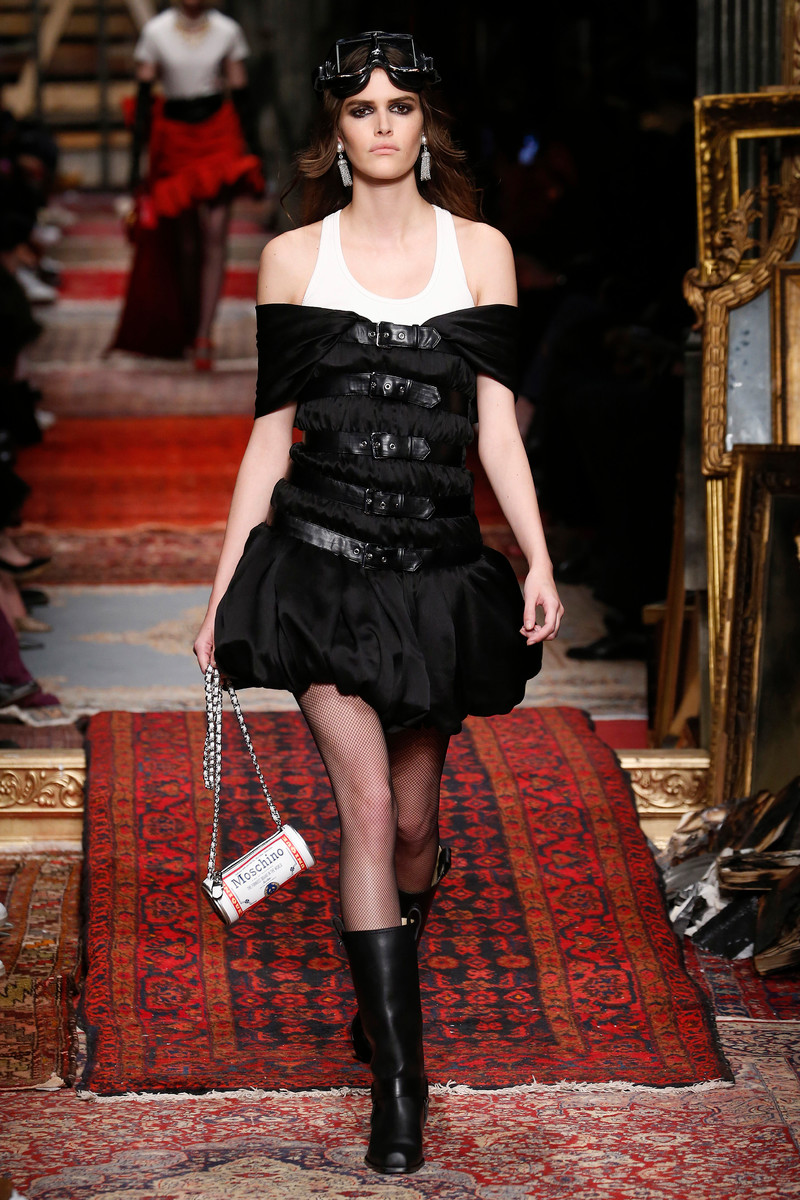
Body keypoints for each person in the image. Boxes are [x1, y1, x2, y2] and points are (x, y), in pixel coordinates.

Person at [194, 31, 563, 1175]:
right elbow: (267, 442)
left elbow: (495, 429)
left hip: (436, 573)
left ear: (425, 126)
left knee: (412, 826)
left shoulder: (480, 252)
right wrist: (222, 592)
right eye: (362, 109)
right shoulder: (292, 259)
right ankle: (399, 1085)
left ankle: (379, 992)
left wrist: (536, 558)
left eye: (400, 106)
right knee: (363, 811)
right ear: (336, 132)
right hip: (318, 567)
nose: (383, 125)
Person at [110, 0, 264, 368]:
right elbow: (144, 97)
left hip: (218, 134)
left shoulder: (227, 30)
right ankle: (192, 323)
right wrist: (135, 165)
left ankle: (203, 334)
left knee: (214, 235)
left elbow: (242, 94)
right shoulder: (156, 32)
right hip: (176, 140)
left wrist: (256, 153)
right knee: (188, 243)